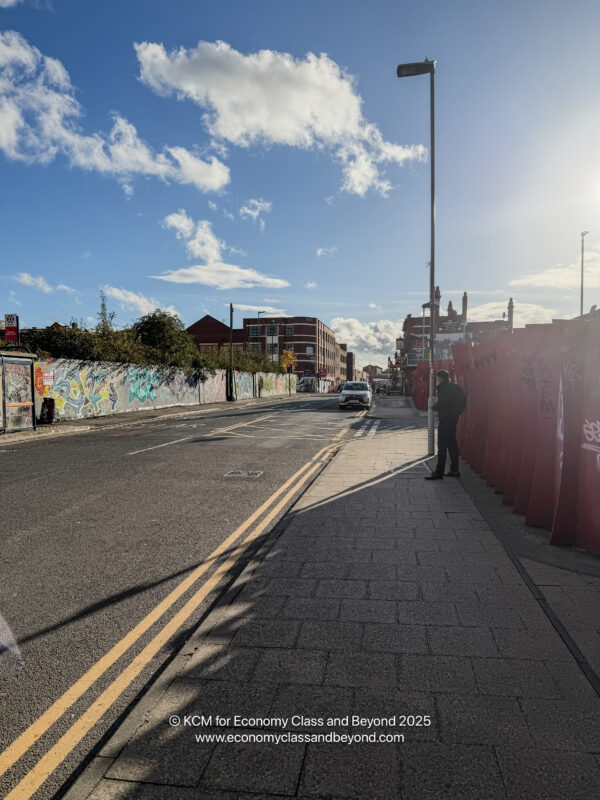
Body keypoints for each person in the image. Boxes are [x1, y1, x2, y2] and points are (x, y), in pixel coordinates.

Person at [425, 370, 467, 480]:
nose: (436, 381)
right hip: (453, 420)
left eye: (436, 378)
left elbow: (444, 402)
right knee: (452, 444)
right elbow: (464, 399)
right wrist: (458, 412)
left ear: (440, 378)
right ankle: (454, 469)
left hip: (445, 420)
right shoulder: (455, 387)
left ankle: (439, 472)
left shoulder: (444, 388)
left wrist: (434, 407)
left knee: (442, 446)